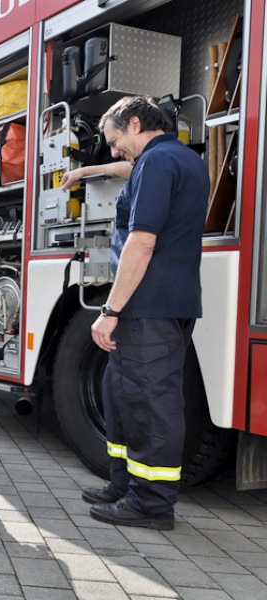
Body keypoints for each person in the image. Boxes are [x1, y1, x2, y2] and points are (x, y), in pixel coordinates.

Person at [82, 96, 209, 531]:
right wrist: (86, 173)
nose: (113, 149)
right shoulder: (178, 158)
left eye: (114, 139)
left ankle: (151, 503)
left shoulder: (156, 163)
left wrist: (110, 309)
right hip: (165, 301)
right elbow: (127, 171)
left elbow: (142, 241)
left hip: (147, 305)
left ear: (134, 124)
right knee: (123, 395)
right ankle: (125, 485)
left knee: (150, 402)